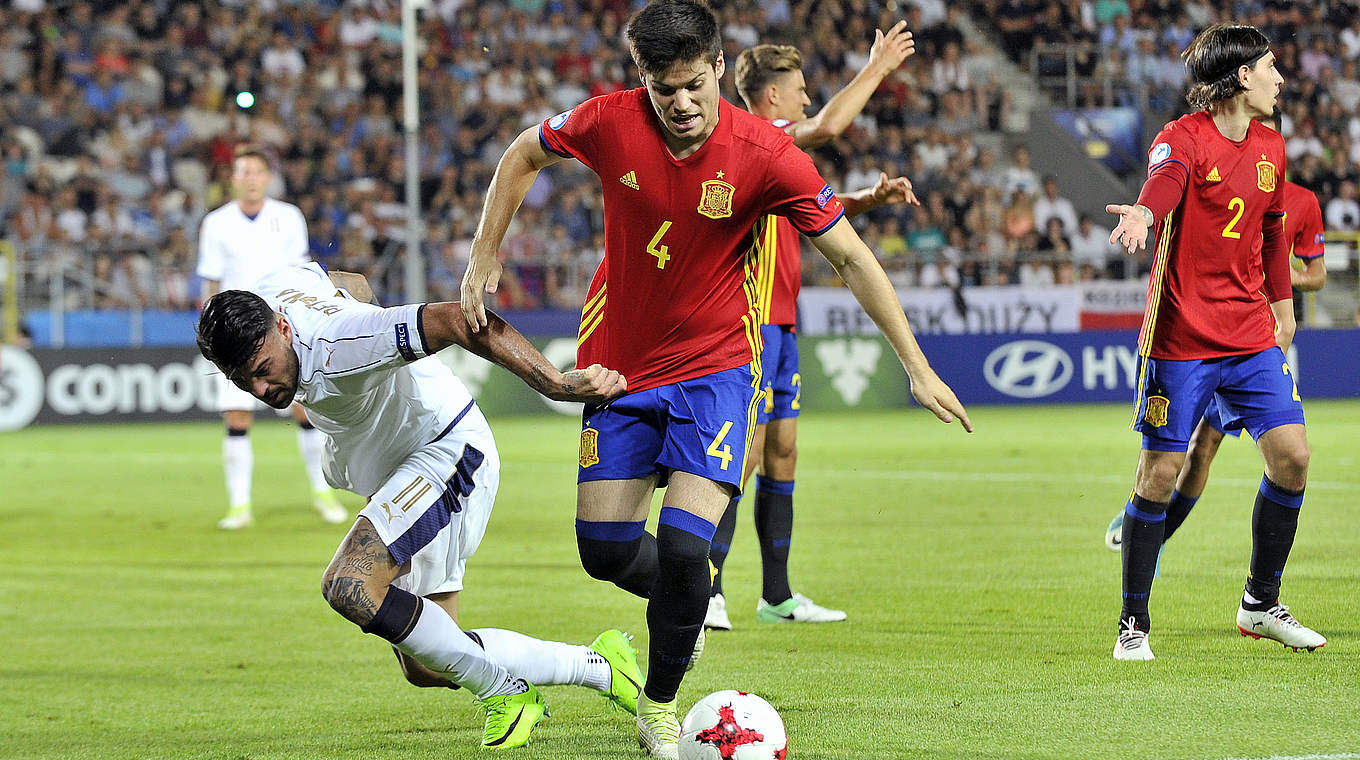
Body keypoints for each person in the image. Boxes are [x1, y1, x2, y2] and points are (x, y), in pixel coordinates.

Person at [459, 2, 972, 755]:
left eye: (695, 84)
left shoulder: (765, 152)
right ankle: (684, 607)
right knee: (603, 551)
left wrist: (916, 367)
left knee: (682, 548)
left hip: (717, 372)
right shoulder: (607, 121)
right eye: (664, 89)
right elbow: (520, 154)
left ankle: (659, 704)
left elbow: (853, 258)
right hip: (618, 369)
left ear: (720, 67)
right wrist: (484, 253)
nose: (683, 104)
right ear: (643, 79)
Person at [195, 263, 642, 750]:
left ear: (283, 327)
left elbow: (455, 319)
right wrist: (359, 311)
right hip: (401, 467)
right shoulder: (270, 290)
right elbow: (352, 283)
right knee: (428, 664)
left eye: (264, 370)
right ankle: (601, 666)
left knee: (349, 583)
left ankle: (505, 694)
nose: (261, 390)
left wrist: (555, 383)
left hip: (444, 448)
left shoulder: (339, 345)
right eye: (243, 381)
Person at [1103, 24, 1323, 661]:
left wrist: (1283, 312)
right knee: (1161, 473)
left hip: (1251, 333)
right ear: (1240, 77)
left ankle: (1259, 604)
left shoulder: (1272, 147)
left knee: (1294, 457)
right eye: (1270, 67)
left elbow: (1273, 234)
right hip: (1181, 339)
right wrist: (1144, 213)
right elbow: (1164, 186)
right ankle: (1134, 624)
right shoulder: (1182, 139)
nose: (1281, 79)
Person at [704, 30, 921, 631]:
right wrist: (876, 68)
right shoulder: (755, 136)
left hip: (783, 323)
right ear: (770, 96)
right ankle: (707, 587)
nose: (807, 99)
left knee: (783, 452)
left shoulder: (777, 161)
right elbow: (827, 126)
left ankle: (776, 595)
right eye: (799, 91)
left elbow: (816, 211)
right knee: (742, 456)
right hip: (748, 324)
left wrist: (867, 200)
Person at [1103, 142, 1328, 563]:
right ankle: (1155, 531)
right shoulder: (1216, 172)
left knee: (1258, 451)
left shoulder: (1301, 201)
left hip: (1255, 337)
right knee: (1191, 452)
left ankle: (1158, 535)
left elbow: (1316, 274)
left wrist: (1283, 280)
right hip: (1207, 333)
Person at [196, 144, 344, 530]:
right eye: (242, 172)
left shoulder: (288, 217)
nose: (249, 179)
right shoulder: (216, 223)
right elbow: (210, 282)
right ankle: (239, 504)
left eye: (256, 172)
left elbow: (300, 276)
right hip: (234, 335)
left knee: (305, 410)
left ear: (266, 177)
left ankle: (322, 492)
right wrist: (212, 339)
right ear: (233, 178)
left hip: (281, 330)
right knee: (237, 416)